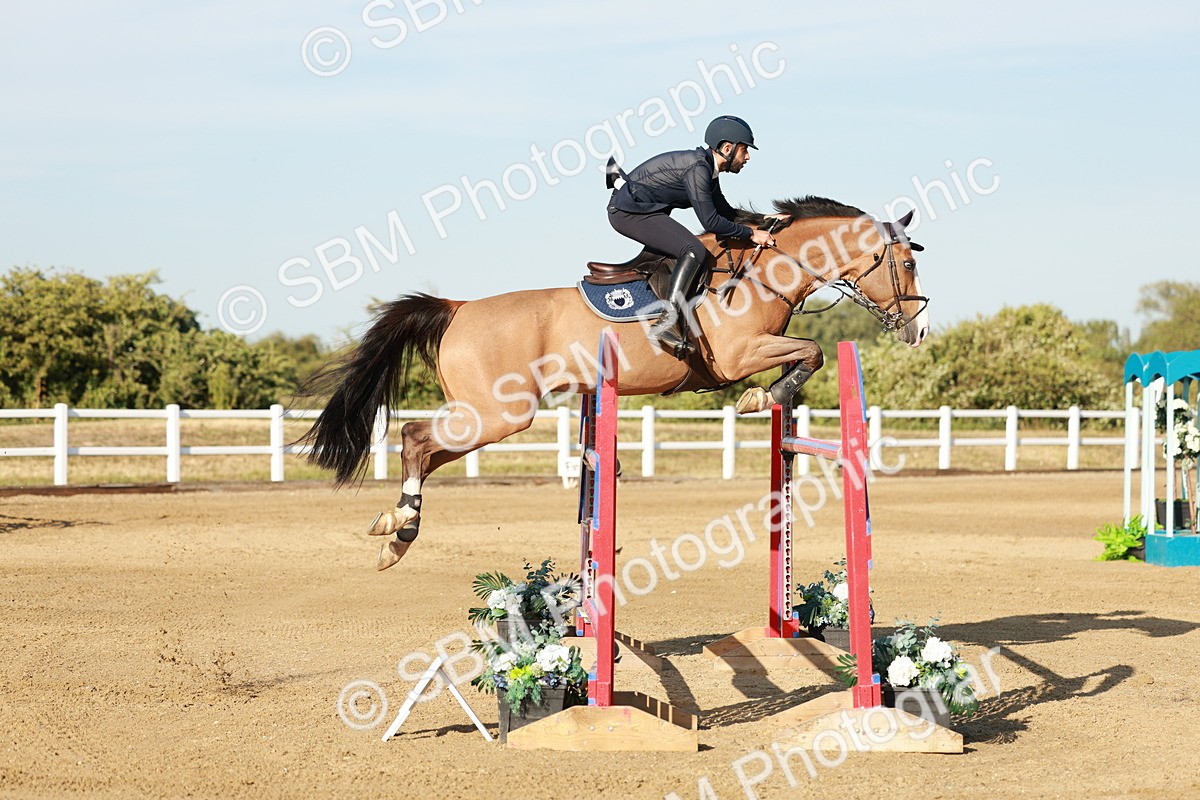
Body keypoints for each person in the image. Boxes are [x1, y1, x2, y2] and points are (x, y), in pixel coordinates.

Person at [606, 115, 788, 359]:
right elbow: (711, 222)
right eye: (745, 150)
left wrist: (764, 218)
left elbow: (726, 212)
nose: (747, 157)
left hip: (641, 210)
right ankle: (666, 322)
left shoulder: (707, 169)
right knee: (694, 249)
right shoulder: (698, 169)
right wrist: (752, 235)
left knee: (691, 247)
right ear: (727, 148)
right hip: (628, 213)